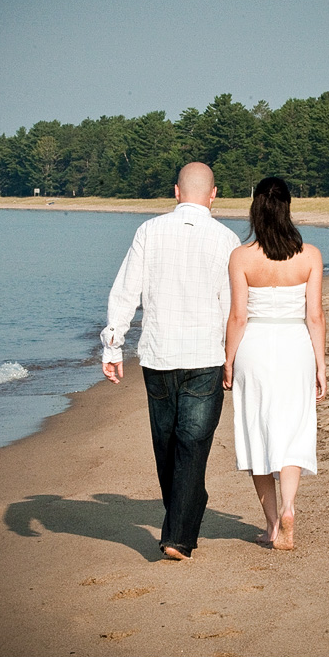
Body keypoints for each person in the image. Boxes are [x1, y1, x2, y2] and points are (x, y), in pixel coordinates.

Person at [101, 162, 240, 560]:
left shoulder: (149, 231)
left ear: (177, 191)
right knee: (190, 447)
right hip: (205, 356)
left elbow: (126, 291)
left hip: (159, 355)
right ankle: (186, 513)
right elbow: (232, 309)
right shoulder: (227, 239)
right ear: (214, 195)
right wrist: (233, 359)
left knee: (168, 446)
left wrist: (113, 345)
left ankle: (176, 536)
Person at [223, 176, 326, 551]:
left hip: (256, 347)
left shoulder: (241, 256)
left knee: (258, 430)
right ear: (288, 207)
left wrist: (229, 361)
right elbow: (314, 316)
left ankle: (270, 525)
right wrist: (320, 365)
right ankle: (289, 508)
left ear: (255, 208)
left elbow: (238, 316)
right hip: (295, 345)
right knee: (294, 429)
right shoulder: (310, 255)